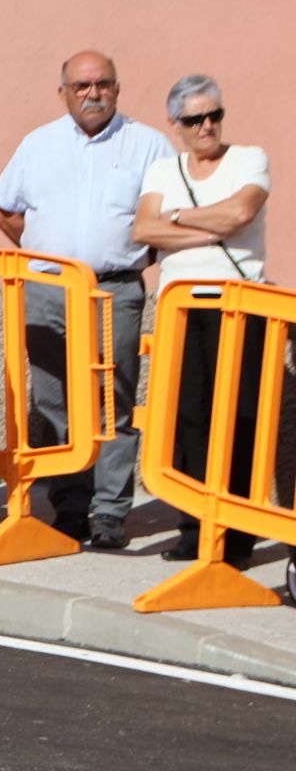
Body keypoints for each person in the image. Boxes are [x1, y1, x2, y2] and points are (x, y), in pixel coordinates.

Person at [0, 50, 174, 550]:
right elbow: (5, 213)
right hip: (49, 289)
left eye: (103, 84)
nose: (93, 94)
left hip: (115, 289)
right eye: (82, 86)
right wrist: (50, 254)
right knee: (52, 399)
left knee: (112, 402)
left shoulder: (149, 145)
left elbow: (166, 222)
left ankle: (111, 513)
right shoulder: (38, 144)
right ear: (64, 92)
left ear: (118, 87)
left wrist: (125, 256)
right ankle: (69, 507)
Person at [132, 75, 268, 567]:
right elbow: (145, 229)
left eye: (215, 116)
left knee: (240, 419)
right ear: (176, 125)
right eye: (195, 119)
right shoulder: (162, 171)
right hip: (180, 308)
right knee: (187, 419)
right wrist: (208, 223)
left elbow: (240, 212)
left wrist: (182, 218)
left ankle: (237, 536)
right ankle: (193, 527)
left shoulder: (249, 159)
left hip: (240, 304)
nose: (207, 126)